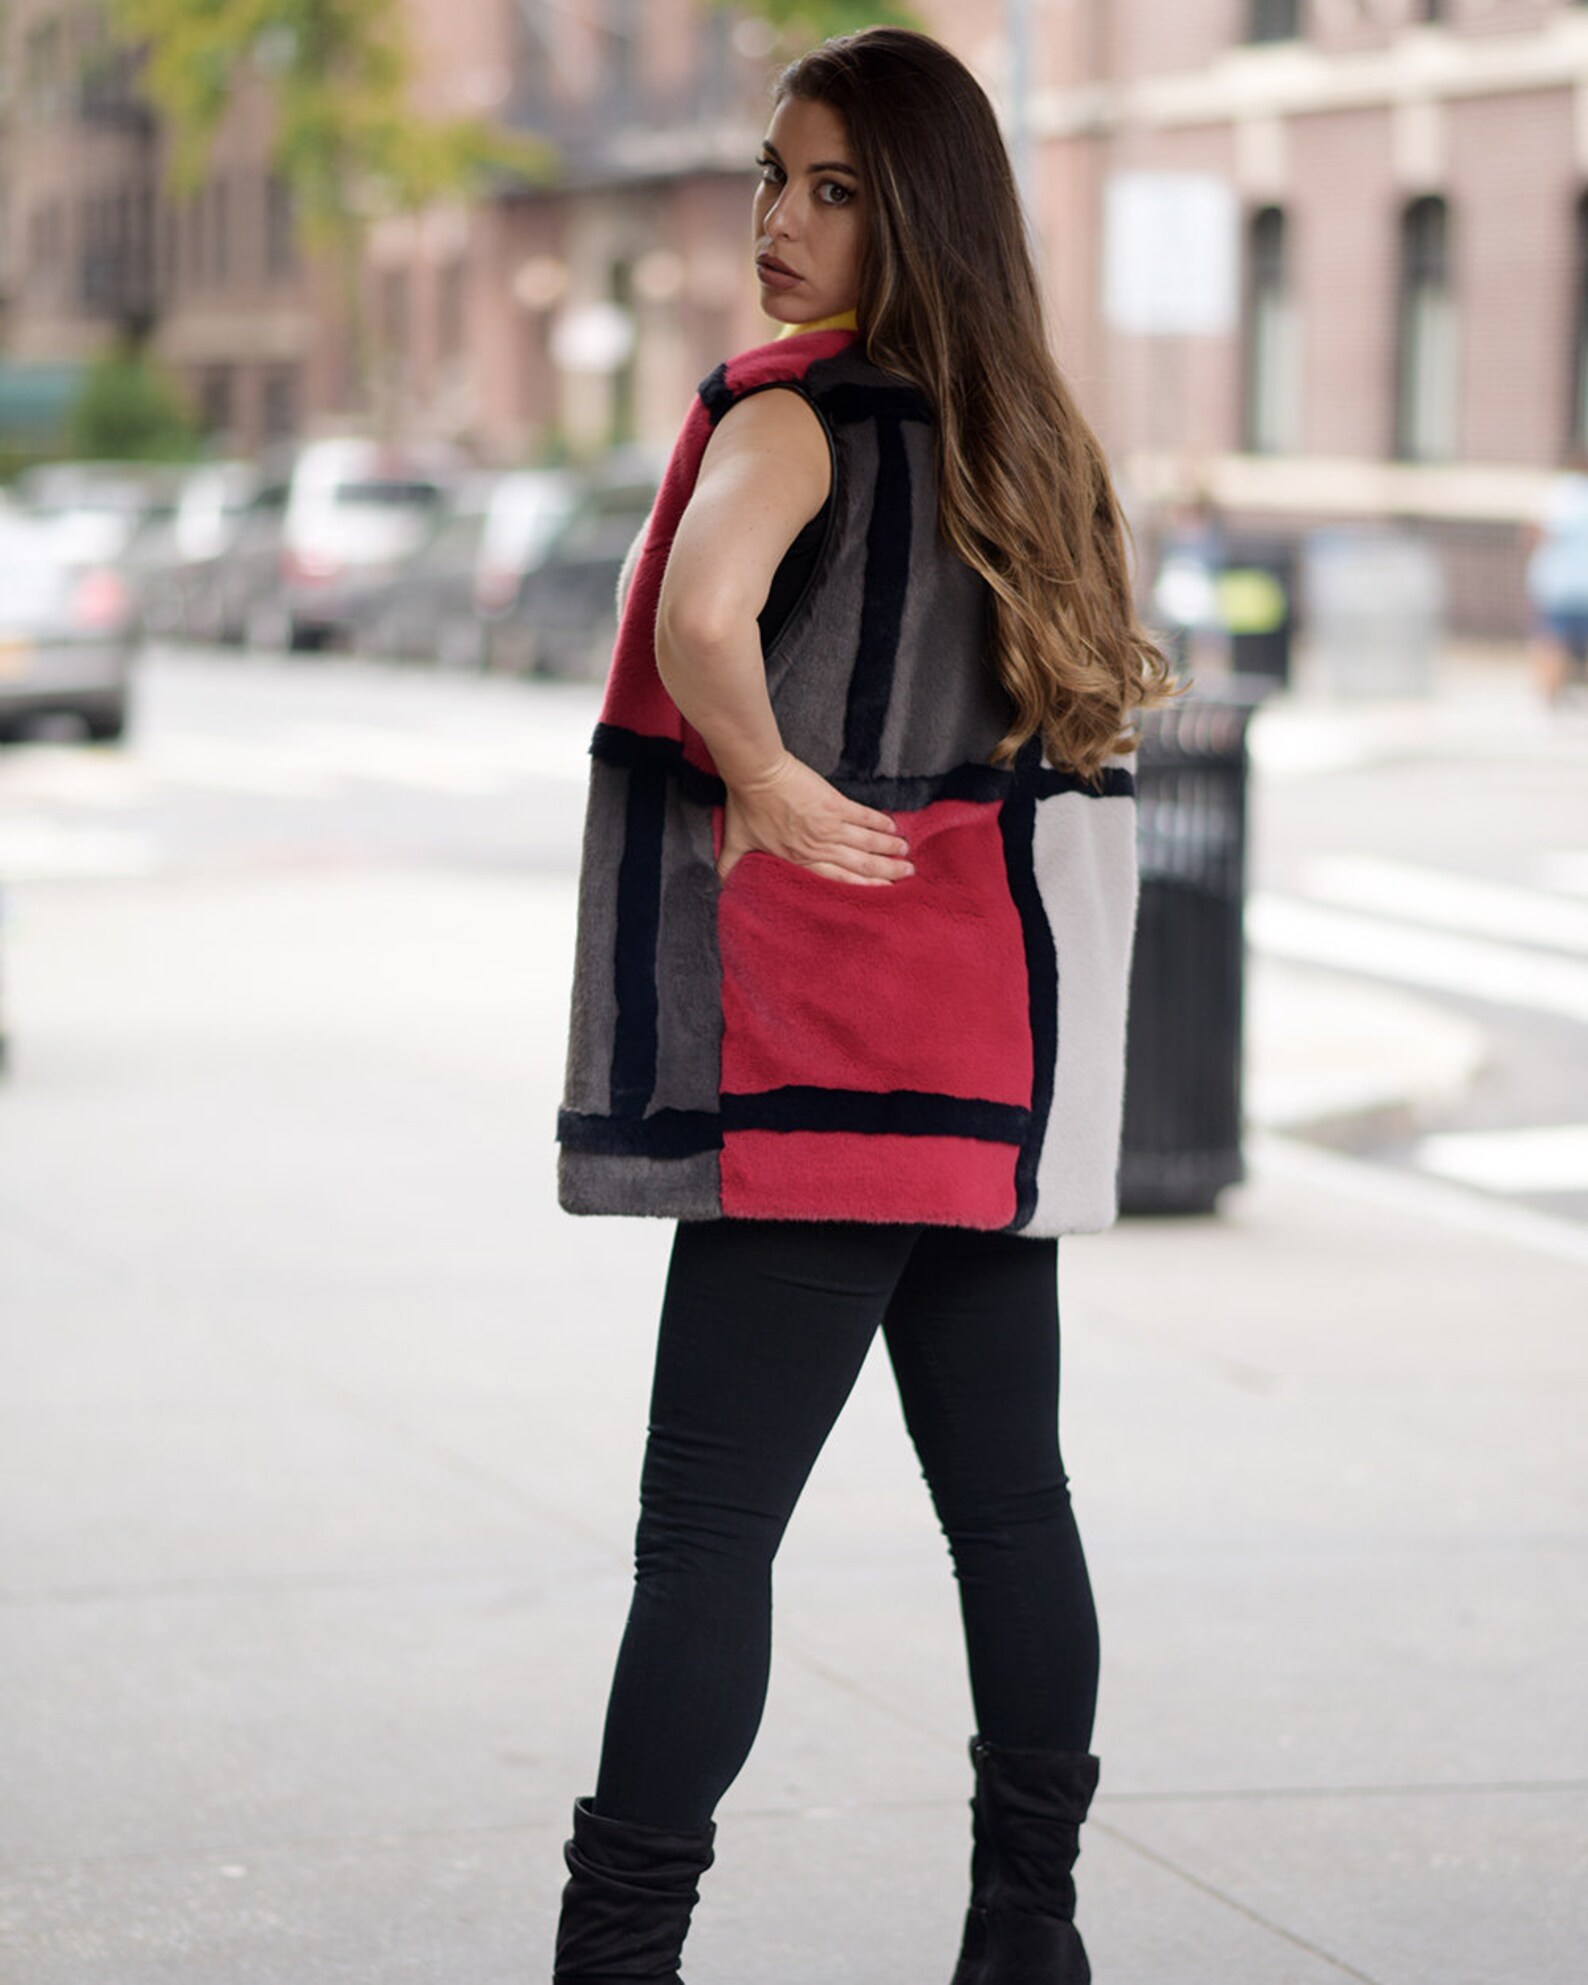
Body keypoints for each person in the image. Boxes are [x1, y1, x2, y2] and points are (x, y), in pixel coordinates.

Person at [549, 26, 1184, 1984]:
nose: (781, 219)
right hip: (985, 1068)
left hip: (819, 1065)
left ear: (916, 215)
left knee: (703, 1539)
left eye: (831, 187)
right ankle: (1026, 1930)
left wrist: (753, 769)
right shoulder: (1030, 447)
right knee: (1010, 1513)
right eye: (774, 176)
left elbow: (697, 612)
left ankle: (615, 1955)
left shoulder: (791, 413)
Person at [1524, 444, 1588, 710]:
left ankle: (1549, 700)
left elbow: (1539, 529)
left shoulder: (1561, 494)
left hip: (1558, 586)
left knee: (1553, 643)